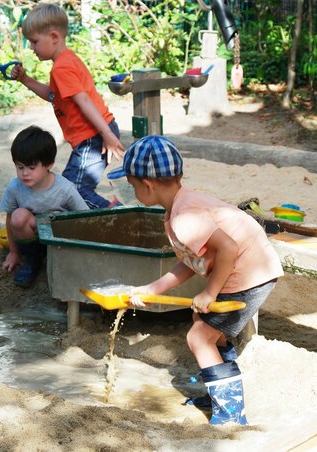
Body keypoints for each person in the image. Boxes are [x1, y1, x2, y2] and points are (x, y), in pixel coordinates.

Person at [107, 135, 283, 425]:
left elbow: (228, 249)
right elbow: (192, 259)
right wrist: (153, 289)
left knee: (199, 337)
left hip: (249, 274)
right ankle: (219, 391)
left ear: (147, 185)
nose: (133, 190)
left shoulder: (184, 217)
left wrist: (210, 293)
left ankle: (230, 412)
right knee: (206, 326)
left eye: (132, 185)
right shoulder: (180, 206)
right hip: (248, 270)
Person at [11, 2, 124, 209]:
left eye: (34, 41)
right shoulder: (67, 60)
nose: (31, 48)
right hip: (95, 133)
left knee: (75, 190)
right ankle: (110, 214)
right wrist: (25, 79)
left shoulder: (61, 68)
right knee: (73, 186)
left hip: (93, 136)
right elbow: (53, 95)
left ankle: (117, 214)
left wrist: (106, 134)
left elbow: (84, 101)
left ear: (54, 37)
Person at [0, 125, 89, 287]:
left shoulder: (65, 189)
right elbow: (10, 218)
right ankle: (32, 260)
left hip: (60, 240)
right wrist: (13, 252)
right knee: (18, 216)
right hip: (32, 239)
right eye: (20, 167)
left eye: (31, 167)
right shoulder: (15, 187)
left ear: (49, 164)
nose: (25, 173)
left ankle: (61, 261)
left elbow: (86, 218)